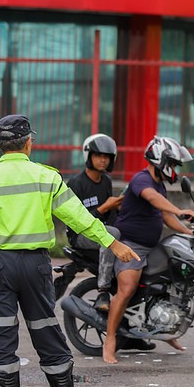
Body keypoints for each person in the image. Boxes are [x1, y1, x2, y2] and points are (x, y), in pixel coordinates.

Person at [0, 114, 139, 387]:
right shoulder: (46, 177)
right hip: (36, 267)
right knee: (47, 333)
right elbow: (78, 216)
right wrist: (111, 242)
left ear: (0, 145)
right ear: (28, 143)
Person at [103, 136, 194, 364]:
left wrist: (189, 233)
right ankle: (110, 340)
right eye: (173, 164)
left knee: (173, 280)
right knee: (126, 290)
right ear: (161, 159)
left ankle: (166, 330)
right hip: (130, 246)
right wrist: (179, 210)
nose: (174, 170)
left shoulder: (160, 185)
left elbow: (165, 216)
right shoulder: (141, 180)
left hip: (152, 246)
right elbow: (153, 200)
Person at [66, 133, 123, 312]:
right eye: (98, 155)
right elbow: (76, 221)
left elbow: (111, 218)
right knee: (111, 235)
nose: (103, 160)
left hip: (99, 229)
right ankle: (103, 291)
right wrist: (103, 208)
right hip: (80, 234)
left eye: (106, 157)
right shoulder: (76, 184)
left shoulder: (106, 181)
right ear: (88, 156)